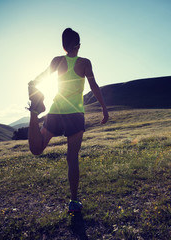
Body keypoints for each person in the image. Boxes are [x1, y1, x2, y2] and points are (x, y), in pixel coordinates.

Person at [27, 28, 109, 213]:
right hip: (75, 115)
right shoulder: (85, 63)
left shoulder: (57, 61)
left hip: (56, 111)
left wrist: (32, 84)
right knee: (72, 158)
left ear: (63, 46)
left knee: (36, 149)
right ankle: (73, 201)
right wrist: (104, 108)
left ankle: (33, 114)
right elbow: (94, 86)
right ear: (78, 45)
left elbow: (41, 78)